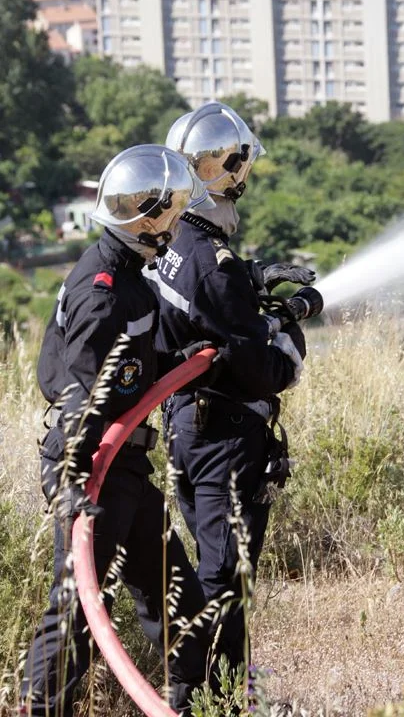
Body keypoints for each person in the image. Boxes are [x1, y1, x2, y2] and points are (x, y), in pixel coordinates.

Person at [20, 144, 215, 717]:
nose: (178, 225)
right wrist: (80, 485)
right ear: (146, 219)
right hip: (91, 467)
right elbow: (82, 391)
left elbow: (138, 361)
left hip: (124, 466)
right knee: (78, 608)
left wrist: (197, 354)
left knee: (174, 594)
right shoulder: (103, 290)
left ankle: (198, 703)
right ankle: (41, 710)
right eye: (172, 214)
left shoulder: (129, 274)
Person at [144, 103, 313, 676]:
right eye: (241, 166)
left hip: (187, 429)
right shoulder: (214, 265)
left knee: (214, 566)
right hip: (225, 439)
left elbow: (200, 311)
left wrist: (251, 277)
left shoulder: (174, 244)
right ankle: (216, 692)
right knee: (225, 574)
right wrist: (289, 323)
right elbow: (265, 370)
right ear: (228, 170)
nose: (247, 177)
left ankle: (219, 683)